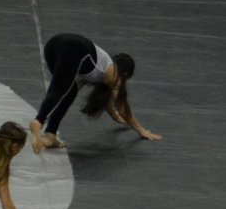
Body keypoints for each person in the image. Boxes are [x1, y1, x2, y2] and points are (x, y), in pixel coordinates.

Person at [29, 32, 159, 152]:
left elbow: (109, 103)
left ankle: (51, 134)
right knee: (60, 90)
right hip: (74, 48)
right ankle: (38, 121)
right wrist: (141, 130)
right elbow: (123, 108)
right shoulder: (114, 74)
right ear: (125, 73)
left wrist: (115, 117)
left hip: (53, 46)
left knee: (69, 91)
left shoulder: (105, 68)